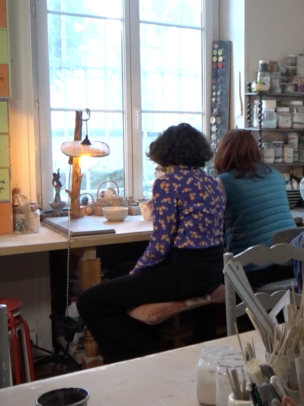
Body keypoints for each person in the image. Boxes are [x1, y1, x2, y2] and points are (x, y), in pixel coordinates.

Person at [78, 123, 226, 363]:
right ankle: (143, 345)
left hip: (184, 276)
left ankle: (143, 356)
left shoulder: (167, 184)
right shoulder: (214, 183)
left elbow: (159, 246)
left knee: (90, 301)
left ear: (166, 152)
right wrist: (134, 272)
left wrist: (136, 271)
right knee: (117, 272)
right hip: (210, 274)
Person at [214, 130, 296, 286]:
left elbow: (214, 226)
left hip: (252, 270)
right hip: (289, 264)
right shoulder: (276, 175)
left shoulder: (223, 181)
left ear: (223, 152)